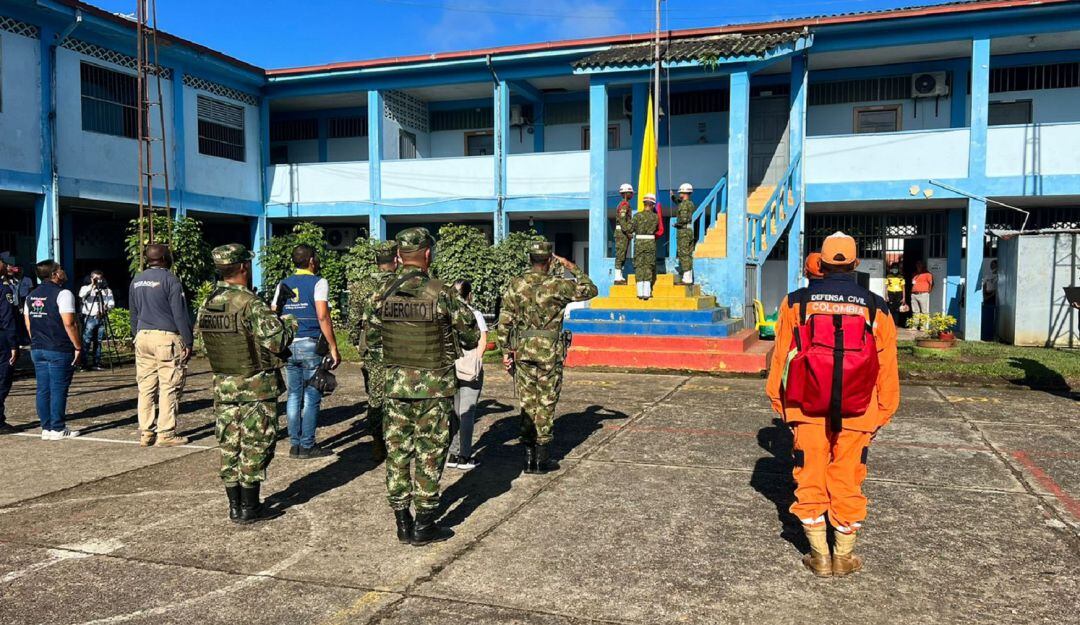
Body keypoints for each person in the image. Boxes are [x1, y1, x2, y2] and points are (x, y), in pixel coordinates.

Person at [765, 232, 900, 578]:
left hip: (805, 404)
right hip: (860, 408)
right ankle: (844, 556)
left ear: (819, 263)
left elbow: (781, 356)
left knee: (809, 474)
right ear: (856, 264)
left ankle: (819, 556)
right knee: (847, 476)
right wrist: (883, 410)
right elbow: (886, 365)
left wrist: (779, 402)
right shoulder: (876, 306)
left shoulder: (796, 302)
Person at [363, 227, 479, 546]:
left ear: (400, 256)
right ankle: (424, 524)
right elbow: (471, 336)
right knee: (430, 451)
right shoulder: (441, 292)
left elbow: (372, 342)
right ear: (427, 254)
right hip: (434, 387)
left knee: (398, 451)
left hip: (395, 385)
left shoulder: (381, 294)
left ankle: (403, 522)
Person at [197, 244, 296, 524]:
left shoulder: (209, 302)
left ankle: (234, 506)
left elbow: (203, 341)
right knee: (257, 442)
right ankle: (250, 507)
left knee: (229, 443)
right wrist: (288, 322)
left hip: (224, 385)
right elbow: (276, 341)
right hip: (255, 386)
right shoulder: (251, 303)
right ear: (243, 267)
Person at [498, 241, 597, 474]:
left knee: (526, 402)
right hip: (549, 351)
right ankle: (542, 458)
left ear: (530, 259)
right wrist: (571, 265)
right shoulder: (558, 285)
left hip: (523, 350)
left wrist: (505, 351)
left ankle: (528, 457)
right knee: (546, 401)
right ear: (550, 260)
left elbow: (505, 320)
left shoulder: (516, 284)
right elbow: (590, 289)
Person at [273, 244, 341, 459]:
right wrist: (333, 346)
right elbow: (322, 315)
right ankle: (308, 444)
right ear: (311, 260)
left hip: (289, 345)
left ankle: (295, 444)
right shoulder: (319, 282)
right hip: (311, 343)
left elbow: (273, 311)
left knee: (294, 395)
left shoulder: (283, 283)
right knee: (312, 395)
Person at [129, 244, 193, 447]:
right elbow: (180, 313)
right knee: (169, 386)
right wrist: (188, 340)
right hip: (165, 337)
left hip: (142, 336)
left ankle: (146, 432)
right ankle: (165, 433)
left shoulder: (137, 280)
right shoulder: (170, 280)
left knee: (146, 387)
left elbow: (133, 312)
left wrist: (136, 335)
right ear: (165, 258)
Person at [349, 240, 399, 463]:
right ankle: (398, 442)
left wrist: (354, 341)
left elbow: (353, 321)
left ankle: (378, 443)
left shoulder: (361, 286)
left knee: (376, 396)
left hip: (373, 350)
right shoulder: (402, 284)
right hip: (400, 348)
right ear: (395, 259)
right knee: (400, 395)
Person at [24, 260, 82, 440]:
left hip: (38, 347)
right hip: (58, 347)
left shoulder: (31, 295)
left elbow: (28, 323)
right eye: (60, 269)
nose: (63, 271)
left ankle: (46, 427)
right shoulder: (63, 294)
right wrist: (78, 346)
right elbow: (69, 323)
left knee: (43, 388)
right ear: (55, 274)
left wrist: (36, 340)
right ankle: (58, 427)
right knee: (58, 388)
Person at [447, 279, 488, 471]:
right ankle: (464, 455)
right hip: (469, 367)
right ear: (469, 294)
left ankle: (453, 453)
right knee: (467, 413)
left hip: (451, 366)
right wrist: (475, 361)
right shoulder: (475, 314)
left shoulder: (446, 314)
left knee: (454, 412)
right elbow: (483, 340)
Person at [78, 270, 115, 371]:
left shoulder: (107, 290)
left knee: (98, 342)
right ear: (91, 278)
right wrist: (92, 286)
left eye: (100, 278)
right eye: (96, 278)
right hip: (90, 317)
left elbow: (112, 303)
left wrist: (107, 307)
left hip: (101, 317)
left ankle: (96, 363)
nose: (98, 281)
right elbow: (81, 295)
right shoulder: (85, 288)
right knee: (86, 341)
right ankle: (84, 364)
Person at [0, 255, 17, 435]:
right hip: (2, 338)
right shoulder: (3, 289)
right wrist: (14, 344)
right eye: (4, 263)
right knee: (3, 378)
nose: (7, 266)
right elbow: (7, 317)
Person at [631, 194, 660, 300]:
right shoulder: (655, 217)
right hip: (650, 242)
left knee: (639, 265)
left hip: (639, 242)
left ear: (644, 204)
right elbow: (657, 228)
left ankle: (640, 292)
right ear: (653, 205)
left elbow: (631, 228)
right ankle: (647, 292)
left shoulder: (637, 216)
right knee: (648, 265)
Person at [672, 182, 696, 285]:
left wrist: (676, 224)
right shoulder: (689, 203)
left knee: (684, 254)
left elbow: (684, 218)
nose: (679, 194)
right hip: (689, 231)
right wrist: (673, 197)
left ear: (684, 192)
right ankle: (688, 277)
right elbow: (679, 203)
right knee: (688, 254)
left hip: (684, 232)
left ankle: (687, 279)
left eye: (680, 192)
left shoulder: (684, 205)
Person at [613, 183, 634, 285]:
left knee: (622, 254)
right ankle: (617, 277)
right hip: (622, 233)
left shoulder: (623, 204)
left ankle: (620, 276)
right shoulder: (624, 204)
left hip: (622, 232)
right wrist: (627, 232)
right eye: (630, 192)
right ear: (626, 193)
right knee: (620, 254)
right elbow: (622, 220)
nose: (632, 194)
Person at [910, 260, 934, 331]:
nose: (918, 266)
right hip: (914, 294)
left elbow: (931, 284)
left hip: (923, 294)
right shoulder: (915, 274)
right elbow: (913, 283)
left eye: (920, 264)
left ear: (923, 265)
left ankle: (923, 327)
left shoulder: (928, 274)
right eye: (917, 264)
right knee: (915, 311)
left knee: (924, 311)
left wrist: (928, 291)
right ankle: (914, 326)